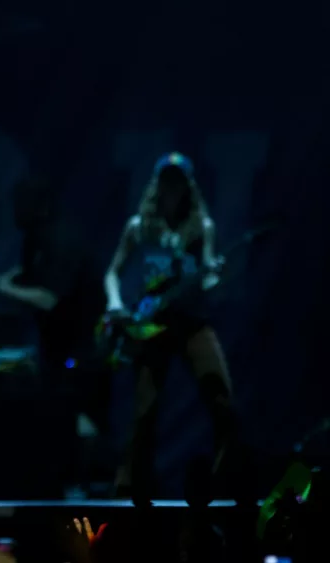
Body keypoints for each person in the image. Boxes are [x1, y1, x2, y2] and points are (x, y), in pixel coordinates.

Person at [104, 152, 234, 499]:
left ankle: (225, 480)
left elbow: (208, 281)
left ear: (188, 186)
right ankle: (131, 487)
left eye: (178, 180)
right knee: (145, 409)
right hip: (154, 325)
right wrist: (115, 304)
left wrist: (215, 279)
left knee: (220, 395)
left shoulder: (201, 227)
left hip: (191, 322)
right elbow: (113, 272)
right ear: (156, 184)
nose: (172, 187)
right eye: (166, 179)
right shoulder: (139, 227)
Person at [0, 177, 111, 491]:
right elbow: (27, 277)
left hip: (83, 352)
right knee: (57, 421)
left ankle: (84, 492)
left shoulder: (62, 240)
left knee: (81, 421)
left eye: (21, 203)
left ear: (40, 206)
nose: (14, 211)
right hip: (57, 352)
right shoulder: (35, 239)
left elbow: (48, 298)